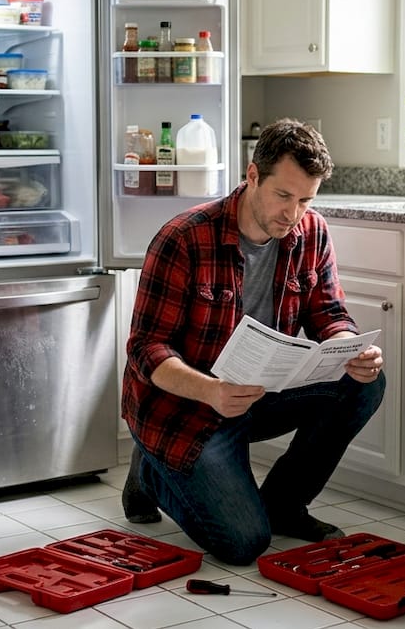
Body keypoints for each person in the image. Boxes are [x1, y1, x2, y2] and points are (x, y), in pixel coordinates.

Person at [120, 118, 386, 566]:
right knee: (243, 544)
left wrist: (351, 348)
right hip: (185, 407)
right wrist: (211, 391)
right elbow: (147, 348)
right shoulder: (183, 238)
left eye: (305, 199)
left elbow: (329, 314)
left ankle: (284, 504)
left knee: (364, 383)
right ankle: (149, 472)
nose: (293, 213)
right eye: (284, 195)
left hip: (257, 392)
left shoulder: (311, 232)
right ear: (252, 176)